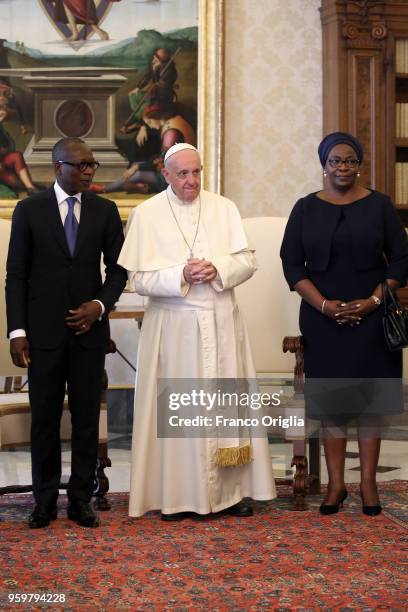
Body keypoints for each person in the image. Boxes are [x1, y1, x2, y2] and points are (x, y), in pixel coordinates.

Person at [118, 143, 276, 520]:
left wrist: (218, 268)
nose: (192, 181)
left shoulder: (224, 207)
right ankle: (176, 497)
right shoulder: (147, 214)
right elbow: (139, 279)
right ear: (166, 174)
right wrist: (181, 275)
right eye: (183, 174)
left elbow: (247, 260)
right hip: (174, 328)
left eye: (196, 172)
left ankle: (232, 494)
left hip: (221, 319)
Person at [280, 132, 408, 516]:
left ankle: (368, 484)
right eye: (335, 160)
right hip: (324, 320)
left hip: (374, 317)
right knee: (332, 403)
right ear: (323, 164)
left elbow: (402, 259)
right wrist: (323, 306)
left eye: (350, 160)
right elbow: (291, 263)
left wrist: (371, 301)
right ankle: (336, 485)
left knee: (372, 403)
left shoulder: (380, 205)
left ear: (359, 164)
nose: (343, 167)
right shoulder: (305, 208)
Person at [5, 137, 127, 529]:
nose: (89, 171)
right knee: (44, 419)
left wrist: (99, 306)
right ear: (58, 167)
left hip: (89, 334)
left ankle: (80, 499)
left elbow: (119, 270)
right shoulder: (29, 211)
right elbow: (16, 277)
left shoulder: (106, 212)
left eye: (92, 164)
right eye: (81, 165)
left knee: (87, 420)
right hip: (41, 335)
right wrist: (17, 332)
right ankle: (43, 501)